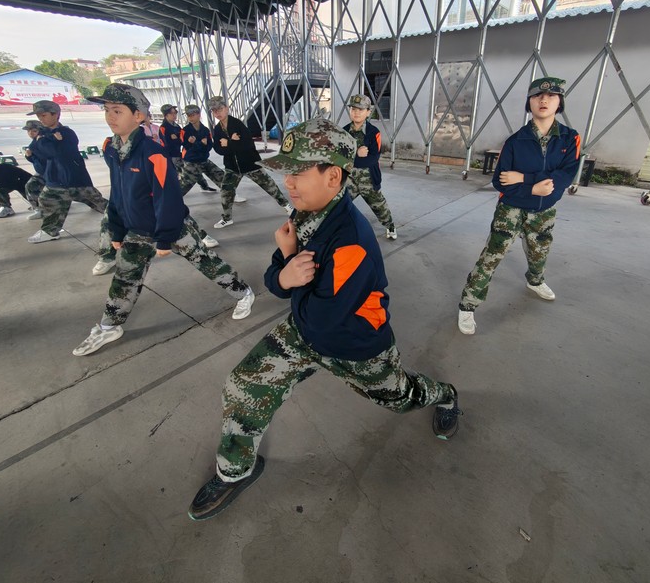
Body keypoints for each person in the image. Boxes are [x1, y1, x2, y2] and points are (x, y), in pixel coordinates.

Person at [187, 118, 462, 521]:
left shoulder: (350, 239)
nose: (288, 182)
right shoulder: (304, 215)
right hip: (305, 331)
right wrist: (285, 271)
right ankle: (235, 471)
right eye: (286, 171)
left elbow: (322, 316)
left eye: (298, 172)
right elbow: (277, 282)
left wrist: (289, 269)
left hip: (354, 345)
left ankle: (446, 394)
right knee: (243, 385)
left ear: (333, 176)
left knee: (400, 398)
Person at [72, 83, 254, 357]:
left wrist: (165, 238)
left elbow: (168, 198)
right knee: (125, 277)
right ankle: (109, 326)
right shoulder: (111, 149)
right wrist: (117, 230)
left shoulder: (153, 152)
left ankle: (243, 293)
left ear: (138, 115)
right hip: (136, 230)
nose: (110, 116)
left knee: (206, 262)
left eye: (117, 111)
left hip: (171, 227)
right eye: (107, 110)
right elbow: (118, 193)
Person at [457, 77, 580, 336]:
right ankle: (468, 305)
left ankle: (535, 281)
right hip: (510, 210)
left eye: (551, 96)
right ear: (529, 103)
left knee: (539, 252)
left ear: (559, 102)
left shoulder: (570, 139)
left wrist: (525, 178)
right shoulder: (515, 141)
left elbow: (565, 175)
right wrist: (531, 188)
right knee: (491, 257)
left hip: (544, 210)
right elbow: (500, 180)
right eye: (537, 96)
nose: (543, 100)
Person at [25, 100, 109, 244]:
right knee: (46, 200)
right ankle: (50, 231)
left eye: (44, 115)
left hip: (73, 179)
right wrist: (47, 141)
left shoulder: (67, 133)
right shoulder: (44, 133)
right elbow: (36, 151)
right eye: (38, 116)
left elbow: (54, 152)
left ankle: (129, 220)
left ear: (55, 114)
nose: (41, 119)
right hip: (54, 179)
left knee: (99, 203)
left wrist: (42, 141)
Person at [207, 96, 293, 229]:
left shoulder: (238, 124)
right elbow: (218, 149)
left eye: (219, 109)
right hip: (232, 167)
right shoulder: (217, 129)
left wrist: (228, 143)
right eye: (214, 110)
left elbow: (247, 145)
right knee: (226, 192)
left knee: (270, 186)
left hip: (250, 163)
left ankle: (287, 206)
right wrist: (233, 143)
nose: (217, 113)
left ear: (226, 108)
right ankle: (227, 218)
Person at [343, 94, 397, 240]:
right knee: (339, 205)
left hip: (369, 181)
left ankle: (390, 226)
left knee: (380, 206)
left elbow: (373, 158)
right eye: (353, 109)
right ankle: (338, 231)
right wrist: (357, 154)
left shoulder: (373, 132)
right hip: (349, 180)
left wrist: (351, 159)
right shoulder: (344, 132)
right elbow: (339, 156)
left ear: (368, 112)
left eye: (361, 109)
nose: (356, 112)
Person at [178, 104, 223, 195]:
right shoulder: (185, 130)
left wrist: (198, 144)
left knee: (222, 177)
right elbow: (187, 147)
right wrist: (200, 144)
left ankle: (230, 195)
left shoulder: (205, 130)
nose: (190, 118)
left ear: (199, 114)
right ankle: (171, 202)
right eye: (188, 116)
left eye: (193, 115)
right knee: (184, 187)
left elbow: (209, 146)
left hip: (203, 159)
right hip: (191, 162)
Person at [160, 103, 184, 173]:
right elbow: (165, 143)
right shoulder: (163, 128)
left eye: (175, 112)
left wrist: (176, 139)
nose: (174, 115)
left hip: (178, 154)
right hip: (170, 156)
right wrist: (176, 140)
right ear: (166, 115)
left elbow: (182, 139)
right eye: (171, 113)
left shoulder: (177, 126)